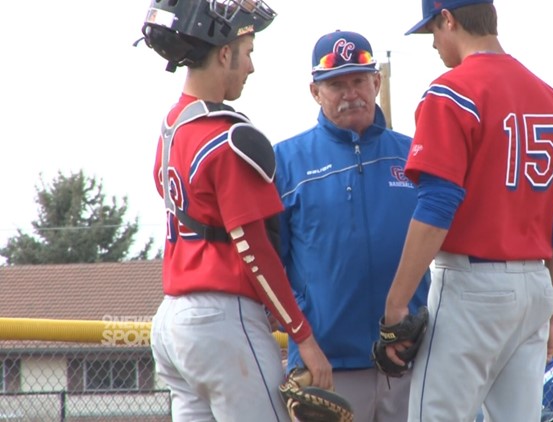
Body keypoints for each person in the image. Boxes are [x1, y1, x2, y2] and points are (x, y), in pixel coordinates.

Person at [382, 0, 553, 421]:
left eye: (434, 31)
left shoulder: (451, 92)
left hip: (472, 287)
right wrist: (551, 310)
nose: (435, 43)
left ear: (449, 19)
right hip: (534, 289)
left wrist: (397, 303)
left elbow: (438, 203)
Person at [140, 1, 332, 420]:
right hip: (221, 319)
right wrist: (304, 337)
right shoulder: (230, 138)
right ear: (224, 53)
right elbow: (255, 249)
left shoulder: (172, 127)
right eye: (248, 52)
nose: (251, 67)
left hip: (172, 321)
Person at [273, 30, 431, 421]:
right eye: (336, 84)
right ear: (315, 91)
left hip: (412, 357)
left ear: (376, 82)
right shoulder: (285, 161)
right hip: (327, 366)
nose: (350, 93)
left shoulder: (415, 153)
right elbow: (271, 267)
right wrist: (303, 340)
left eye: (359, 80)